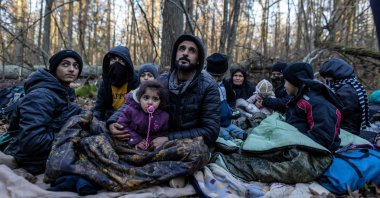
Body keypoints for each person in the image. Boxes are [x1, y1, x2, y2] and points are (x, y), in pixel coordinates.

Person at [4, 50, 84, 175]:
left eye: (76, 66)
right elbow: (33, 142)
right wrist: (74, 134)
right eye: (65, 64)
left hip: (52, 151)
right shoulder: (41, 96)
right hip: (31, 159)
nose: (72, 69)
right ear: (54, 68)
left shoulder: (64, 92)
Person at [283, 62, 342, 152]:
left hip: (314, 152)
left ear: (295, 81)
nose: (284, 86)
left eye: (286, 81)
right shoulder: (299, 99)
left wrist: (292, 141)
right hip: (298, 146)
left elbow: (322, 138)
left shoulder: (316, 102)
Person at [319, 58, 370, 135]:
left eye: (328, 76)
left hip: (347, 132)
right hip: (349, 130)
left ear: (337, 74)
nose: (326, 79)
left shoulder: (346, 90)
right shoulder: (350, 86)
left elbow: (336, 112)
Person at [117, 80, 169, 150]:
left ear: (160, 102)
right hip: (131, 141)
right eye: (146, 98)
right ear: (139, 98)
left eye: (155, 99)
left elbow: (163, 133)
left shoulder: (164, 116)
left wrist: (149, 141)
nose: (150, 102)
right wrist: (136, 139)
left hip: (150, 146)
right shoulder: (130, 110)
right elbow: (121, 125)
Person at [205, 53, 246, 141]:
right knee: (230, 141)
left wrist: (230, 110)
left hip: (228, 123)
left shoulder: (224, 84)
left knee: (244, 135)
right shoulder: (204, 85)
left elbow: (231, 99)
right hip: (216, 126)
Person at [93, 46, 139, 121]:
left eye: (121, 60)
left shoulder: (135, 81)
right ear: (108, 62)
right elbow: (99, 109)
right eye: (113, 59)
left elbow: (137, 108)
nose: (117, 63)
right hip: (108, 118)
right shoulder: (105, 83)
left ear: (127, 63)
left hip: (129, 119)